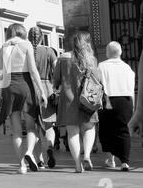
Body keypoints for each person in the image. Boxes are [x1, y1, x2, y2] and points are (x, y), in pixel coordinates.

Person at [0, 23, 47, 174]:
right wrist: (42, 91)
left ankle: (21, 165)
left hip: (8, 87)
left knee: (16, 130)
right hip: (25, 84)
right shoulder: (27, 45)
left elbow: (1, 73)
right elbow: (33, 70)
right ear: (22, 32)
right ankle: (29, 152)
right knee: (31, 126)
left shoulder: (2, 48)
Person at [53, 31, 101, 173]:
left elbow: (56, 79)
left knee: (72, 132)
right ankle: (87, 155)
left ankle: (77, 164)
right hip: (87, 99)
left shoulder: (63, 58)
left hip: (68, 100)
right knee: (89, 128)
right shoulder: (92, 59)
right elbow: (98, 80)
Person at [98, 42, 135, 171]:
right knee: (124, 131)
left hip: (107, 100)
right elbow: (131, 89)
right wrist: (133, 105)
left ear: (107, 53)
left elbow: (99, 85)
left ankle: (111, 159)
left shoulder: (101, 66)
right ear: (120, 52)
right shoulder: (127, 68)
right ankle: (125, 162)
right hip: (125, 101)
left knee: (106, 130)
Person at [28, 26, 57, 169]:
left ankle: (39, 160)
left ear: (28, 37)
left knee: (34, 126)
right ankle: (50, 147)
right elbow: (56, 71)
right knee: (49, 125)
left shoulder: (26, 51)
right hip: (47, 88)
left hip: (30, 89)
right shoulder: (49, 51)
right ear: (41, 38)